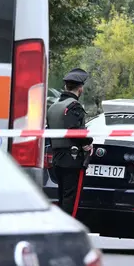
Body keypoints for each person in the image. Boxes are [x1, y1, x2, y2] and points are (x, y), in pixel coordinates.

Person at [46, 68, 94, 217]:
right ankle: (68, 231)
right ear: (80, 88)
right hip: (72, 159)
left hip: (57, 158)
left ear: (66, 86)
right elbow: (74, 129)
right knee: (71, 200)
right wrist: (88, 142)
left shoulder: (53, 107)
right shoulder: (74, 106)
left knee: (62, 197)